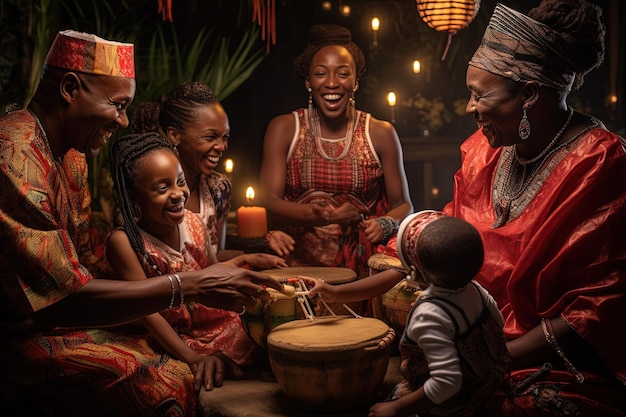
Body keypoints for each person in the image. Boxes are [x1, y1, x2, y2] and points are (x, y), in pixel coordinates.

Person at [313, 1, 626, 415]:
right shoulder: (482, 153)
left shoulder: (600, 163)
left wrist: (492, 361)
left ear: (530, 94)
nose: (469, 107)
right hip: (470, 340)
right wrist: (340, 293)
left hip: (546, 362)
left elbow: (596, 308)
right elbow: (442, 242)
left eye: (480, 95)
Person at [0, 30, 283, 416]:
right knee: (157, 384)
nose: (124, 119)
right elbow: (58, 301)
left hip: (68, 322)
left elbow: (81, 267)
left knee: (202, 358)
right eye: (118, 105)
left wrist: (212, 273)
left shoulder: (72, 156)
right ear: (70, 88)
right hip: (22, 338)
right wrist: (189, 284)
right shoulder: (14, 157)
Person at [105, 131, 287, 383]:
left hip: (207, 323)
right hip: (166, 333)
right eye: (162, 187)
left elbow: (209, 272)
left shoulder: (192, 222)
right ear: (134, 196)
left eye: (180, 181)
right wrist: (192, 358)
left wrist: (247, 260)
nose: (178, 193)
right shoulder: (123, 242)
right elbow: (148, 313)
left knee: (264, 332)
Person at [310, 211, 510, 417]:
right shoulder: (476, 289)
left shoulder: (429, 314)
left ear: (412, 272)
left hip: (455, 402)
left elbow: (448, 383)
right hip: (488, 384)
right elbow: (498, 327)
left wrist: (397, 408)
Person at [258, 24, 413, 280]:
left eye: (343, 74)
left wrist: (385, 223)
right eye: (320, 73)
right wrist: (324, 215)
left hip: (360, 271)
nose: (331, 83)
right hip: (295, 268)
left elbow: (403, 204)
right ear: (308, 81)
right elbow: (268, 201)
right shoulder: (284, 128)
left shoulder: (381, 133)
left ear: (356, 81)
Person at [132, 82, 295, 259]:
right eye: (210, 137)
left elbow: (214, 256)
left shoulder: (218, 188)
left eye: (225, 137)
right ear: (174, 135)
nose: (221, 146)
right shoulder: (147, 188)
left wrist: (260, 247)